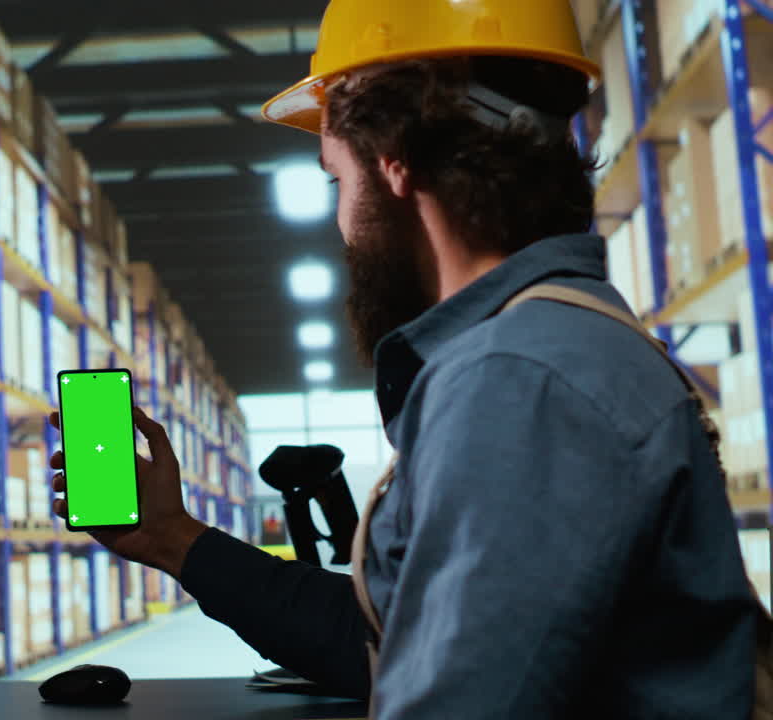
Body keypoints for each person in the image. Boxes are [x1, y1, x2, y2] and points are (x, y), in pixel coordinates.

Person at [50, 0, 757, 716]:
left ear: (394, 162)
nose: (339, 219)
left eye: (337, 179)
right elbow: (391, 639)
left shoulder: (520, 381)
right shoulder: (558, 347)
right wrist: (173, 538)